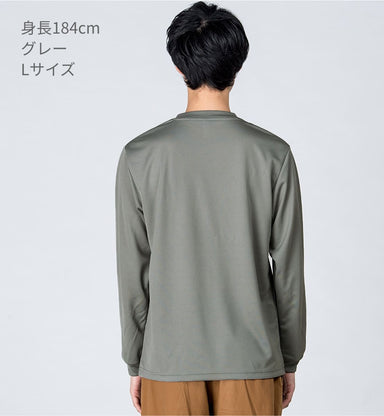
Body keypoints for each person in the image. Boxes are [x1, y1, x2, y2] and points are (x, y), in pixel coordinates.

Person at [115, 1, 307, 414]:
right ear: (237, 65)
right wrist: (289, 358)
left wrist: (136, 358)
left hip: (169, 360)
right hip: (253, 358)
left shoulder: (139, 155)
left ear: (179, 67)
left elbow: (134, 270)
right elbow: (289, 271)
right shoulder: (273, 154)